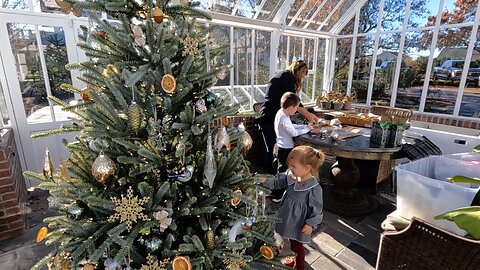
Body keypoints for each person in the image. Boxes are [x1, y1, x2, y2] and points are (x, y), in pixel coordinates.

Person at [258, 145, 325, 270]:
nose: (290, 168)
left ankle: (300, 266)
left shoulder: (314, 188)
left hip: (298, 223)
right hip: (285, 214)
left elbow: (316, 210)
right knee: (277, 237)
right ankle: (276, 257)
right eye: (290, 165)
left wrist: (310, 224)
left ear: (307, 168)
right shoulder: (291, 176)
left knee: (297, 246)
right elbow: (277, 181)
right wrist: (264, 180)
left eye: (294, 166)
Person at [256, 60, 319, 176]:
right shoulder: (287, 77)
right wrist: (309, 116)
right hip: (268, 116)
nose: (303, 78)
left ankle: (274, 177)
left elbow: (296, 104)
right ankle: (272, 178)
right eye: (303, 74)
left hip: (271, 115)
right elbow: (295, 103)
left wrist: (305, 117)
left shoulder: (285, 76)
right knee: (271, 148)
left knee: (273, 149)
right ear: (300, 71)